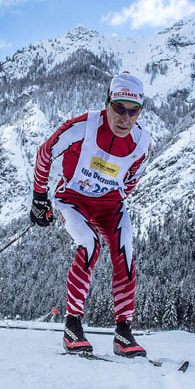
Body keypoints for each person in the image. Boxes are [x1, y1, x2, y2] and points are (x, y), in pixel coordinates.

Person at [30, 71, 151, 357]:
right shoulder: (82, 127)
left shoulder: (142, 141)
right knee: (89, 244)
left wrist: (113, 195)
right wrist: (39, 198)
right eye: (119, 108)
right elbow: (45, 153)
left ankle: (123, 332)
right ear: (107, 103)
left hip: (110, 206)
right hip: (72, 200)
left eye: (133, 111)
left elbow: (133, 178)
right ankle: (72, 326)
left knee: (125, 251)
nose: (125, 118)